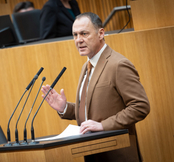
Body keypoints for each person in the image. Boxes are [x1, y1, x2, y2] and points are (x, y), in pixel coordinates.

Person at [41, 12, 150, 162]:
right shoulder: (86, 66)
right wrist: (65, 108)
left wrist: (103, 126)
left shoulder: (118, 64)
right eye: (75, 35)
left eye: (84, 34)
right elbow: (92, 111)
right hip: (94, 153)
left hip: (117, 154)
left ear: (101, 33)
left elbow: (140, 106)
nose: (78, 40)